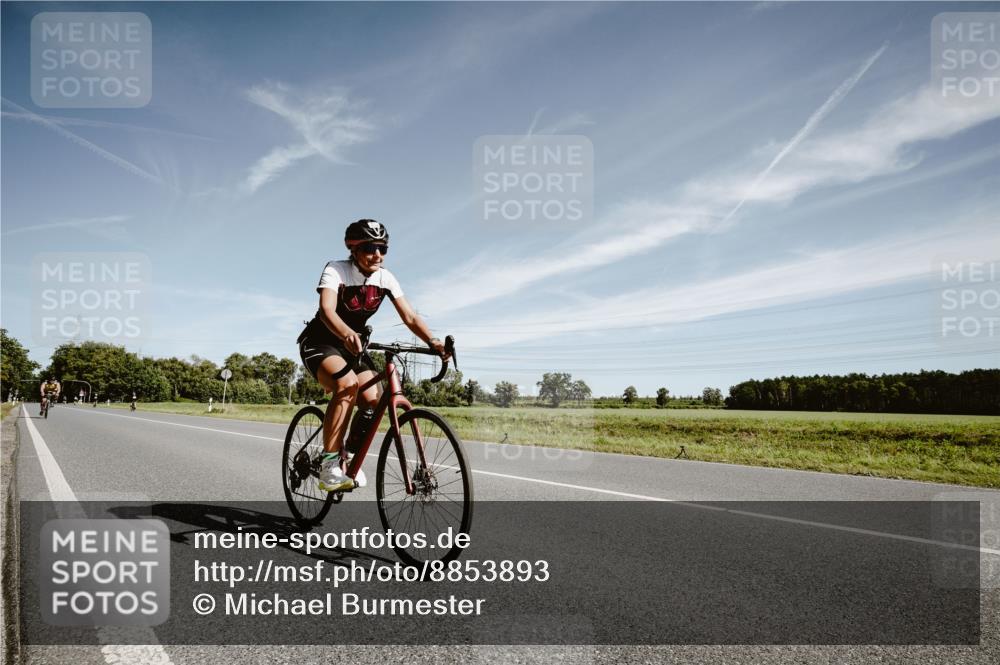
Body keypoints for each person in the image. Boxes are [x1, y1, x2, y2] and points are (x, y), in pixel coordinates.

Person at [297, 219, 450, 492]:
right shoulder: (336, 270)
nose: (377, 254)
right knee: (347, 386)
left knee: (372, 400)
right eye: (369, 247)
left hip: (353, 346)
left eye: (383, 248)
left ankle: (347, 458)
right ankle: (329, 464)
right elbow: (326, 311)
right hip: (321, 342)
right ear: (353, 248)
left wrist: (434, 341)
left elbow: (411, 316)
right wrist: (345, 333)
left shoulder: (385, 278)